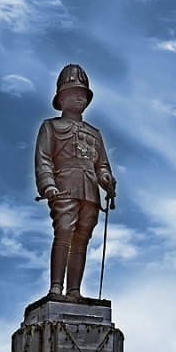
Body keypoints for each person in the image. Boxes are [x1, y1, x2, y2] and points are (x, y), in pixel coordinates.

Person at [35, 64, 116, 302]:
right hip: (64, 189)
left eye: (82, 94)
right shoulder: (50, 127)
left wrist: (106, 179)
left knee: (82, 240)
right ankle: (56, 288)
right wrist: (48, 185)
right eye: (73, 93)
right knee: (63, 234)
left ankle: (74, 291)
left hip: (90, 193)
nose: (79, 97)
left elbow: (101, 165)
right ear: (61, 98)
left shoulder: (95, 134)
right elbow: (44, 159)